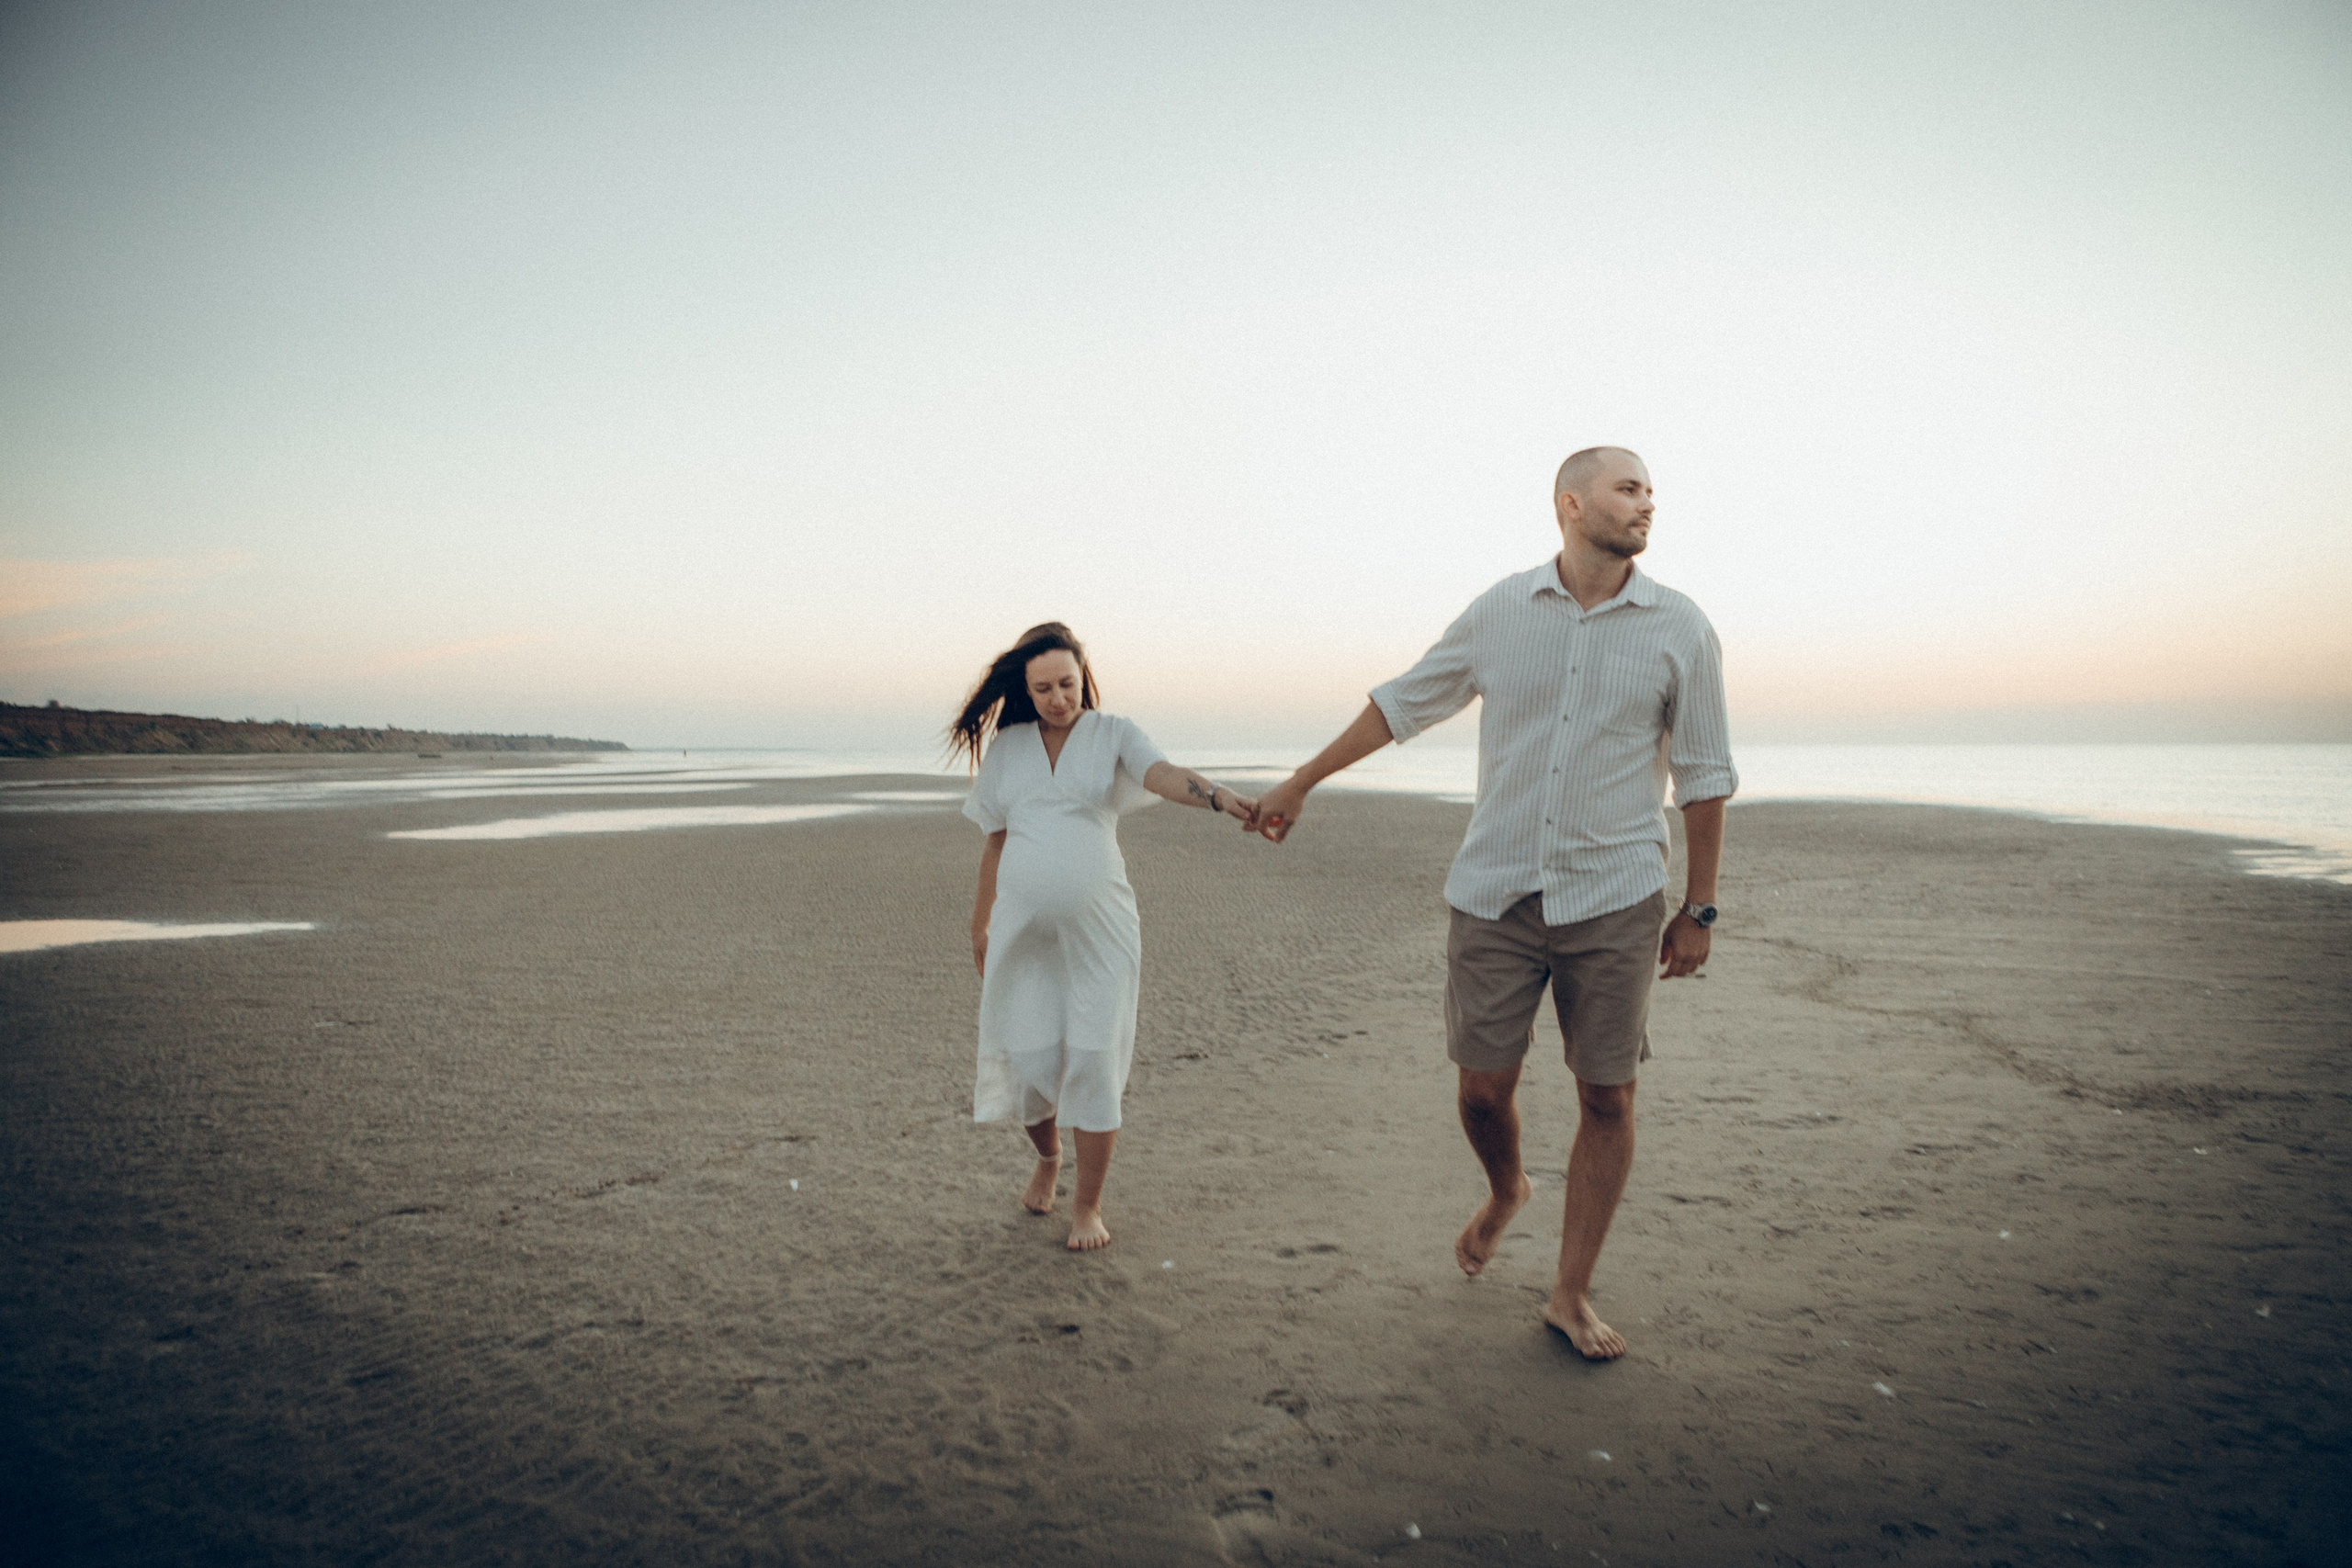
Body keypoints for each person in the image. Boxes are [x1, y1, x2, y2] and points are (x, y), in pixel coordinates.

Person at [1247, 446, 1736, 1359]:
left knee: (1607, 1093)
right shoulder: (1502, 610)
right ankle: (1507, 1187)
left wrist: (1699, 909)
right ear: (1571, 503)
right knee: (1480, 1088)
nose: (1646, 504)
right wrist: (1302, 780)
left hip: (1616, 894)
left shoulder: (1682, 627)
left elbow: (1705, 774)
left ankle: (1569, 1291)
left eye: (1650, 492)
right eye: (1628, 488)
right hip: (1496, 890)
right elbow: (1404, 702)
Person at [951, 622, 1259, 1251]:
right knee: (1030, 1063)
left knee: (1093, 1059)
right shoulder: (1009, 748)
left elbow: (1162, 774)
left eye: (1067, 683)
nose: (1058, 698)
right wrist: (980, 922)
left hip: (1102, 932)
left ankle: (1087, 1207)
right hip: (1023, 934)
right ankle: (1048, 1157)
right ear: (1026, 690)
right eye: (1043, 688)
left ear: (1082, 677)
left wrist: (1218, 796)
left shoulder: (1112, 734)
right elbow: (995, 842)